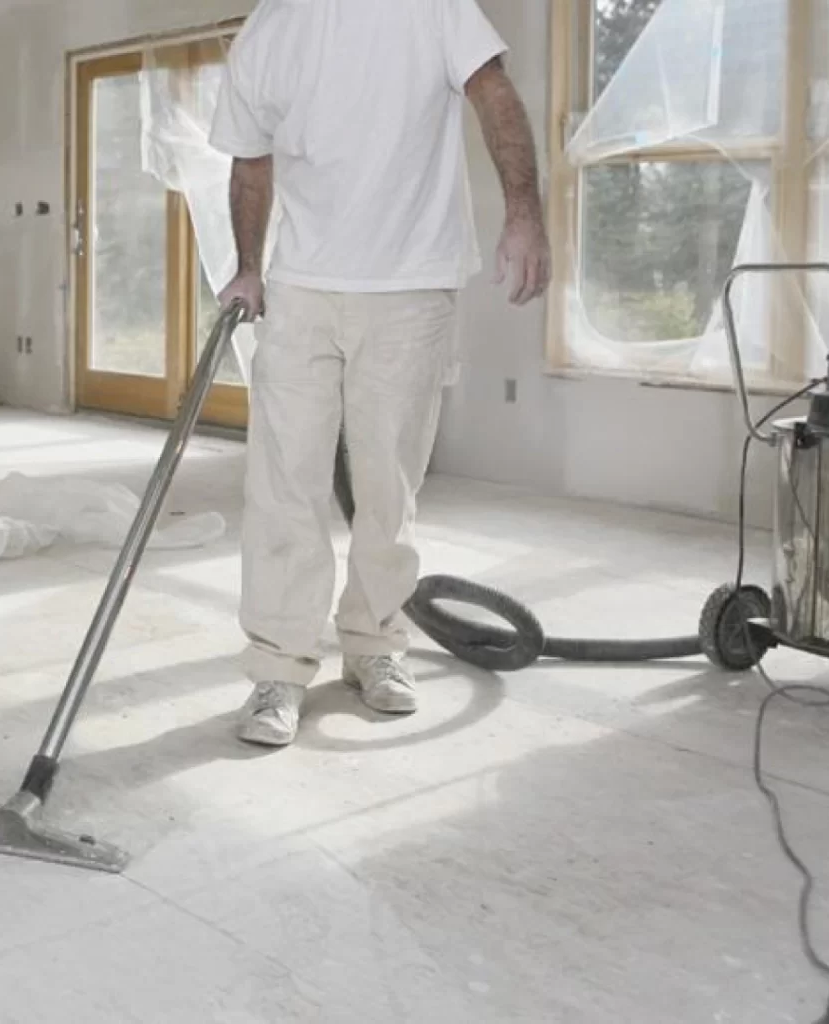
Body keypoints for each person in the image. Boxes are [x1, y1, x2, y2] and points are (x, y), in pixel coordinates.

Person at [210, 0, 551, 747]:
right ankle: (280, 666)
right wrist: (247, 267)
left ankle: (374, 646)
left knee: (386, 487)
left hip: (409, 280)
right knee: (283, 485)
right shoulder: (267, 30)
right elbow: (250, 157)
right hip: (301, 283)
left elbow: (492, 89)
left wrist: (524, 213)